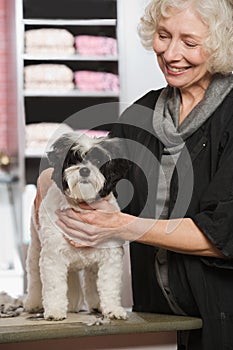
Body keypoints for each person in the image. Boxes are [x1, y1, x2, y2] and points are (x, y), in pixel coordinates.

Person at [37, 0, 233, 348]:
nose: (171, 53)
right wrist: (48, 183)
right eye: (162, 36)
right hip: (157, 319)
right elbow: (94, 164)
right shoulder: (142, 113)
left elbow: (223, 234)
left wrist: (123, 225)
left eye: (189, 42)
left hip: (223, 319)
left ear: (219, 44)